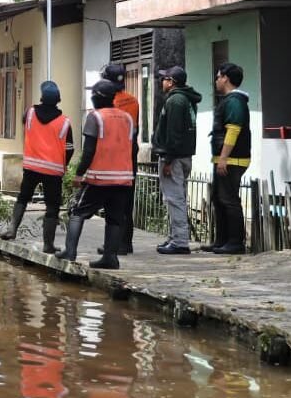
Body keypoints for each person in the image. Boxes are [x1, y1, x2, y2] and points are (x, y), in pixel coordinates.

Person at [56, 79, 135, 269]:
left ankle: (70, 252)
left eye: (93, 94)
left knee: (77, 212)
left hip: (99, 178)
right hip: (123, 178)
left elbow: (89, 150)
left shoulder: (95, 117)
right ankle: (110, 257)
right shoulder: (127, 118)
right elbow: (132, 148)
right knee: (115, 218)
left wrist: (78, 174)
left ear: (97, 98)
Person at [1, 81, 74, 253]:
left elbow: (23, 121)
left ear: (41, 98)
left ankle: (12, 230)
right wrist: (63, 166)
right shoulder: (64, 122)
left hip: (31, 166)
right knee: (52, 206)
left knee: (23, 198)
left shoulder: (30, 113)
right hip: (53, 170)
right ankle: (48, 245)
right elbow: (70, 149)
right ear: (58, 100)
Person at [151, 66, 201, 254]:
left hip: (174, 157)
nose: (162, 82)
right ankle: (174, 237)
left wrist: (169, 159)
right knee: (176, 197)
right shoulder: (186, 99)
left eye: (164, 79)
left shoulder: (175, 101)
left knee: (175, 199)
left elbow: (173, 133)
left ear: (171, 82)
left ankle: (180, 241)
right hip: (184, 155)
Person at [207, 62, 250, 254]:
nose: (216, 80)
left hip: (232, 159)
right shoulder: (229, 100)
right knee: (219, 198)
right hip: (224, 159)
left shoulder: (234, 102)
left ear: (225, 78)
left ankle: (235, 242)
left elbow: (233, 131)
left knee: (229, 199)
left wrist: (224, 158)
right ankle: (221, 241)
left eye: (217, 77)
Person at [98, 63, 139, 256]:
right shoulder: (133, 100)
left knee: (111, 201)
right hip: (130, 153)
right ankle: (125, 242)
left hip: (112, 153)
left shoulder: (107, 101)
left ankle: (112, 245)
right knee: (126, 199)